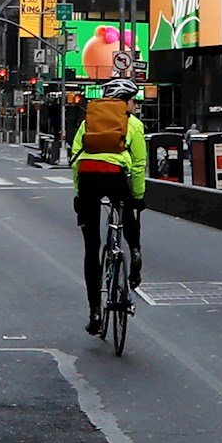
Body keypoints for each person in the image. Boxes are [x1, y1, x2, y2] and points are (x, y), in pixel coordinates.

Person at [73, 80, 149, 336]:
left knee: (91, 248)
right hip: (116, 176)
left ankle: (95, 312)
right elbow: (138, 165)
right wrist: (138, 196)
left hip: (88, 178)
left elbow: (75, 159)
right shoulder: (134, 125)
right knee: (127, 210)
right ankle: (135, 252)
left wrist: (78, 194)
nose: (136, 106)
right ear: (125, 101)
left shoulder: (88, 122)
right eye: (133, 101)